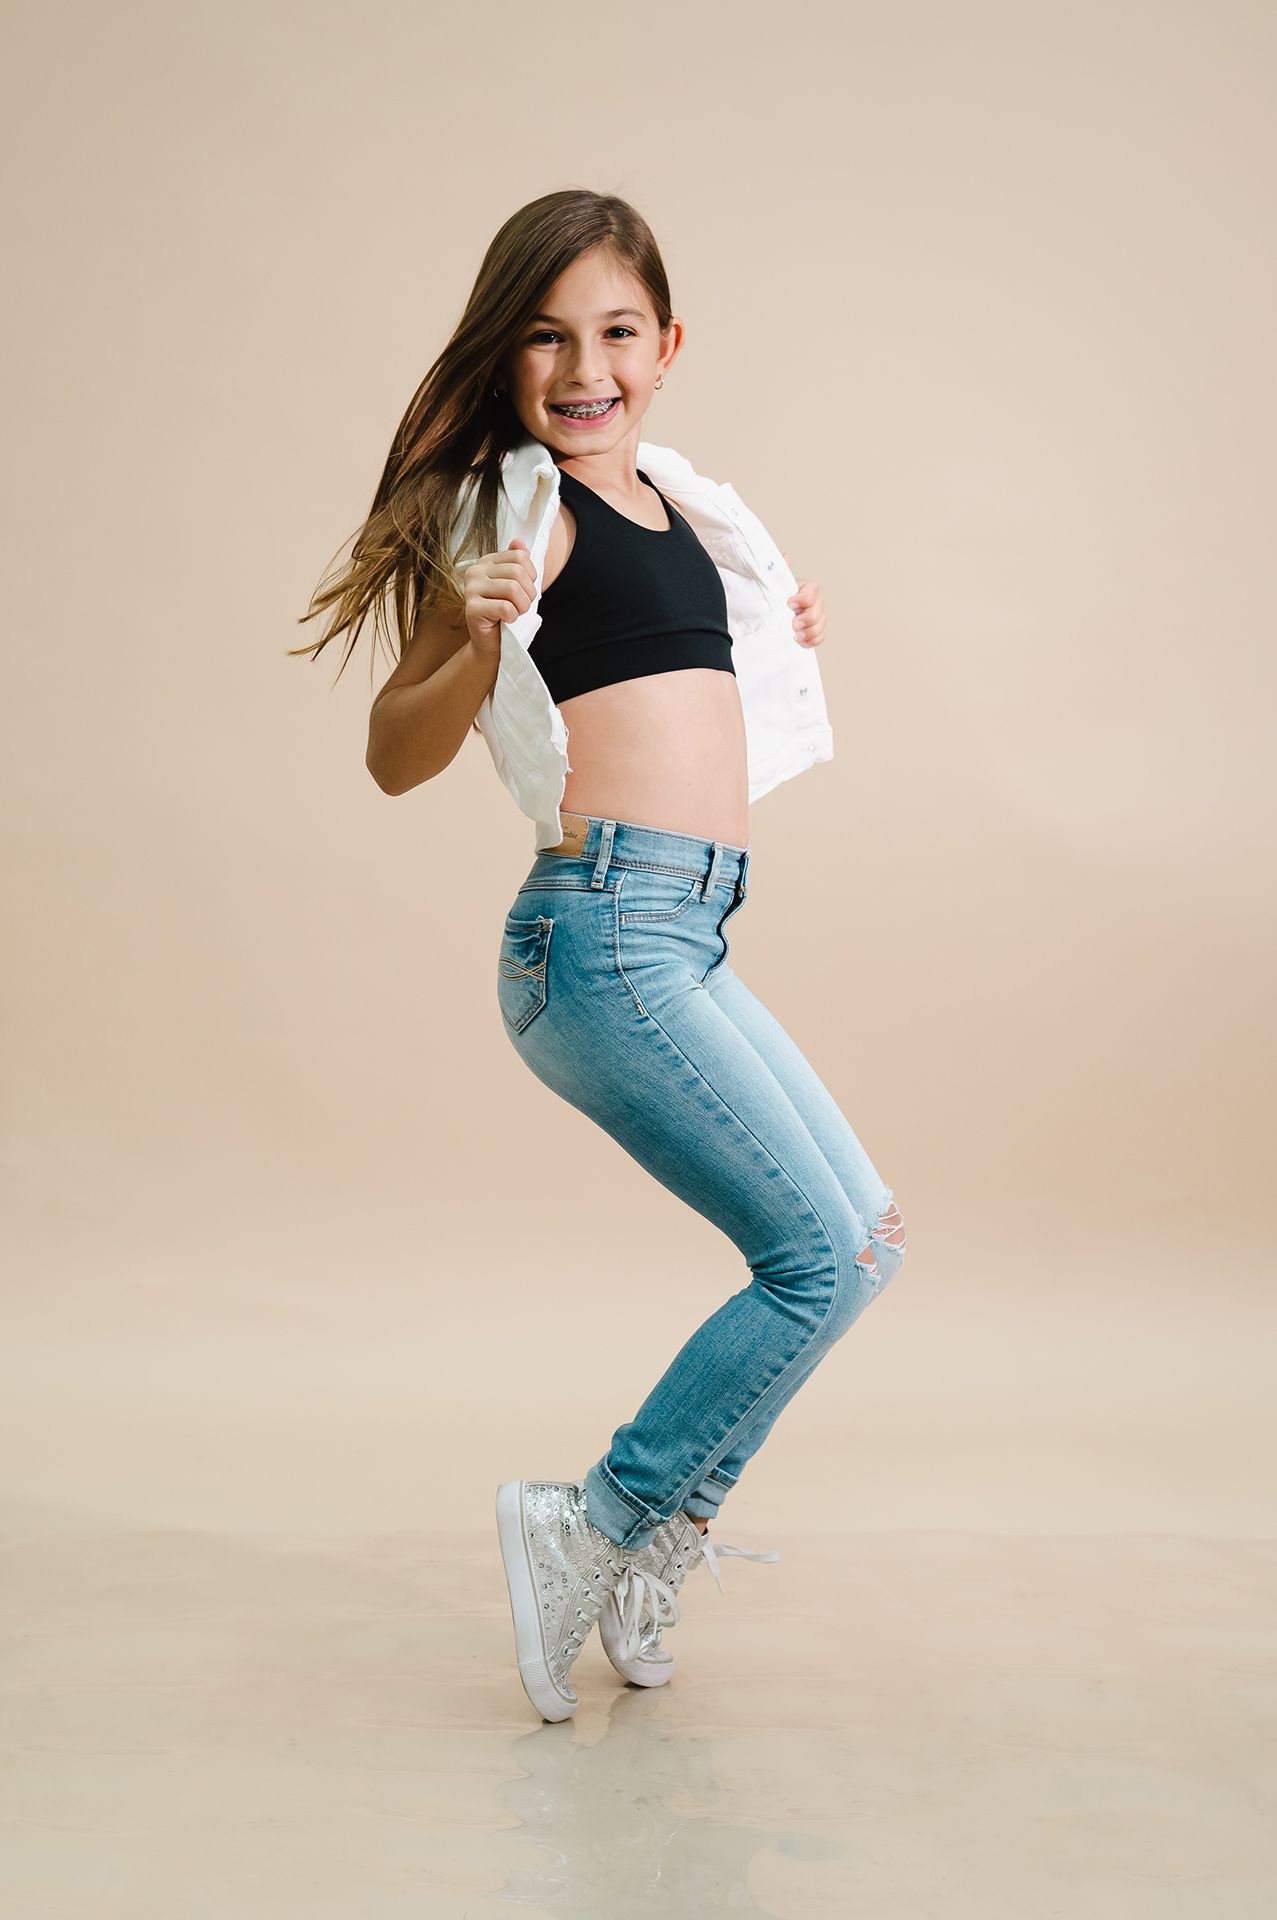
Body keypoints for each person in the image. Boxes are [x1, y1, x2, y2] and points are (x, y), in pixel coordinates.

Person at [295, 189, 907, 1724]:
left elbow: (690, 678)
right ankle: (597, 1518)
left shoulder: (677, 512)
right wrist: (469, 635)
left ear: (668, 346)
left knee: (863, 1244)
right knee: (810, 1260)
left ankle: (650, 1537)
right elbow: (391, 755)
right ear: (504, 360)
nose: (584, 368)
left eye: (617, 333)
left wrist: (773, 618)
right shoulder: (519, 518)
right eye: (545, 338)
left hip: (687, 929)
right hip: (600, 931)